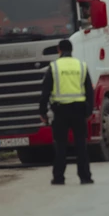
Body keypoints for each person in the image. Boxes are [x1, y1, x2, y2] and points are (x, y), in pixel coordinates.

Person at [39, 39, 94, 185]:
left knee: (61, 145)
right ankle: (85, 177)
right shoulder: (81, 66)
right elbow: (89, 90)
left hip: (60, 111)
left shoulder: (54, 67)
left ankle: (58, 177)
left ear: (59, 50)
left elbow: (45, 91)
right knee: (81, 145)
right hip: (79, 110)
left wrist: (43, 112)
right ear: (72, 50)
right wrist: (88, 111)